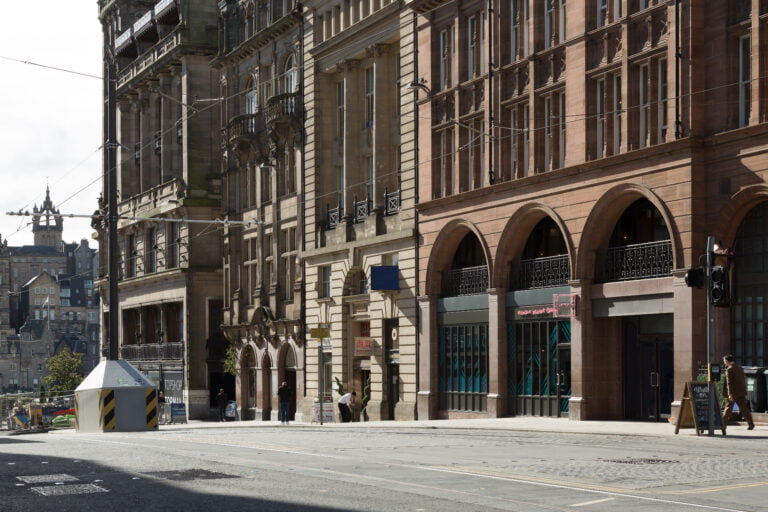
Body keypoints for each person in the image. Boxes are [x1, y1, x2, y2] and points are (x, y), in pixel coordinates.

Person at [722, 354, 755, 431]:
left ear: (727, 361)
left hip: (733, 393)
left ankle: (723, 425)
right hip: (741, 392)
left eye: (724, 361)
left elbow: (729, 383)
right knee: (744, 409)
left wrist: (730, 394)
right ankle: (751, 424)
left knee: (727, 409)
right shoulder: (740, 368)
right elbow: (743, 380)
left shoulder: (729, 369)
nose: (724, 363)